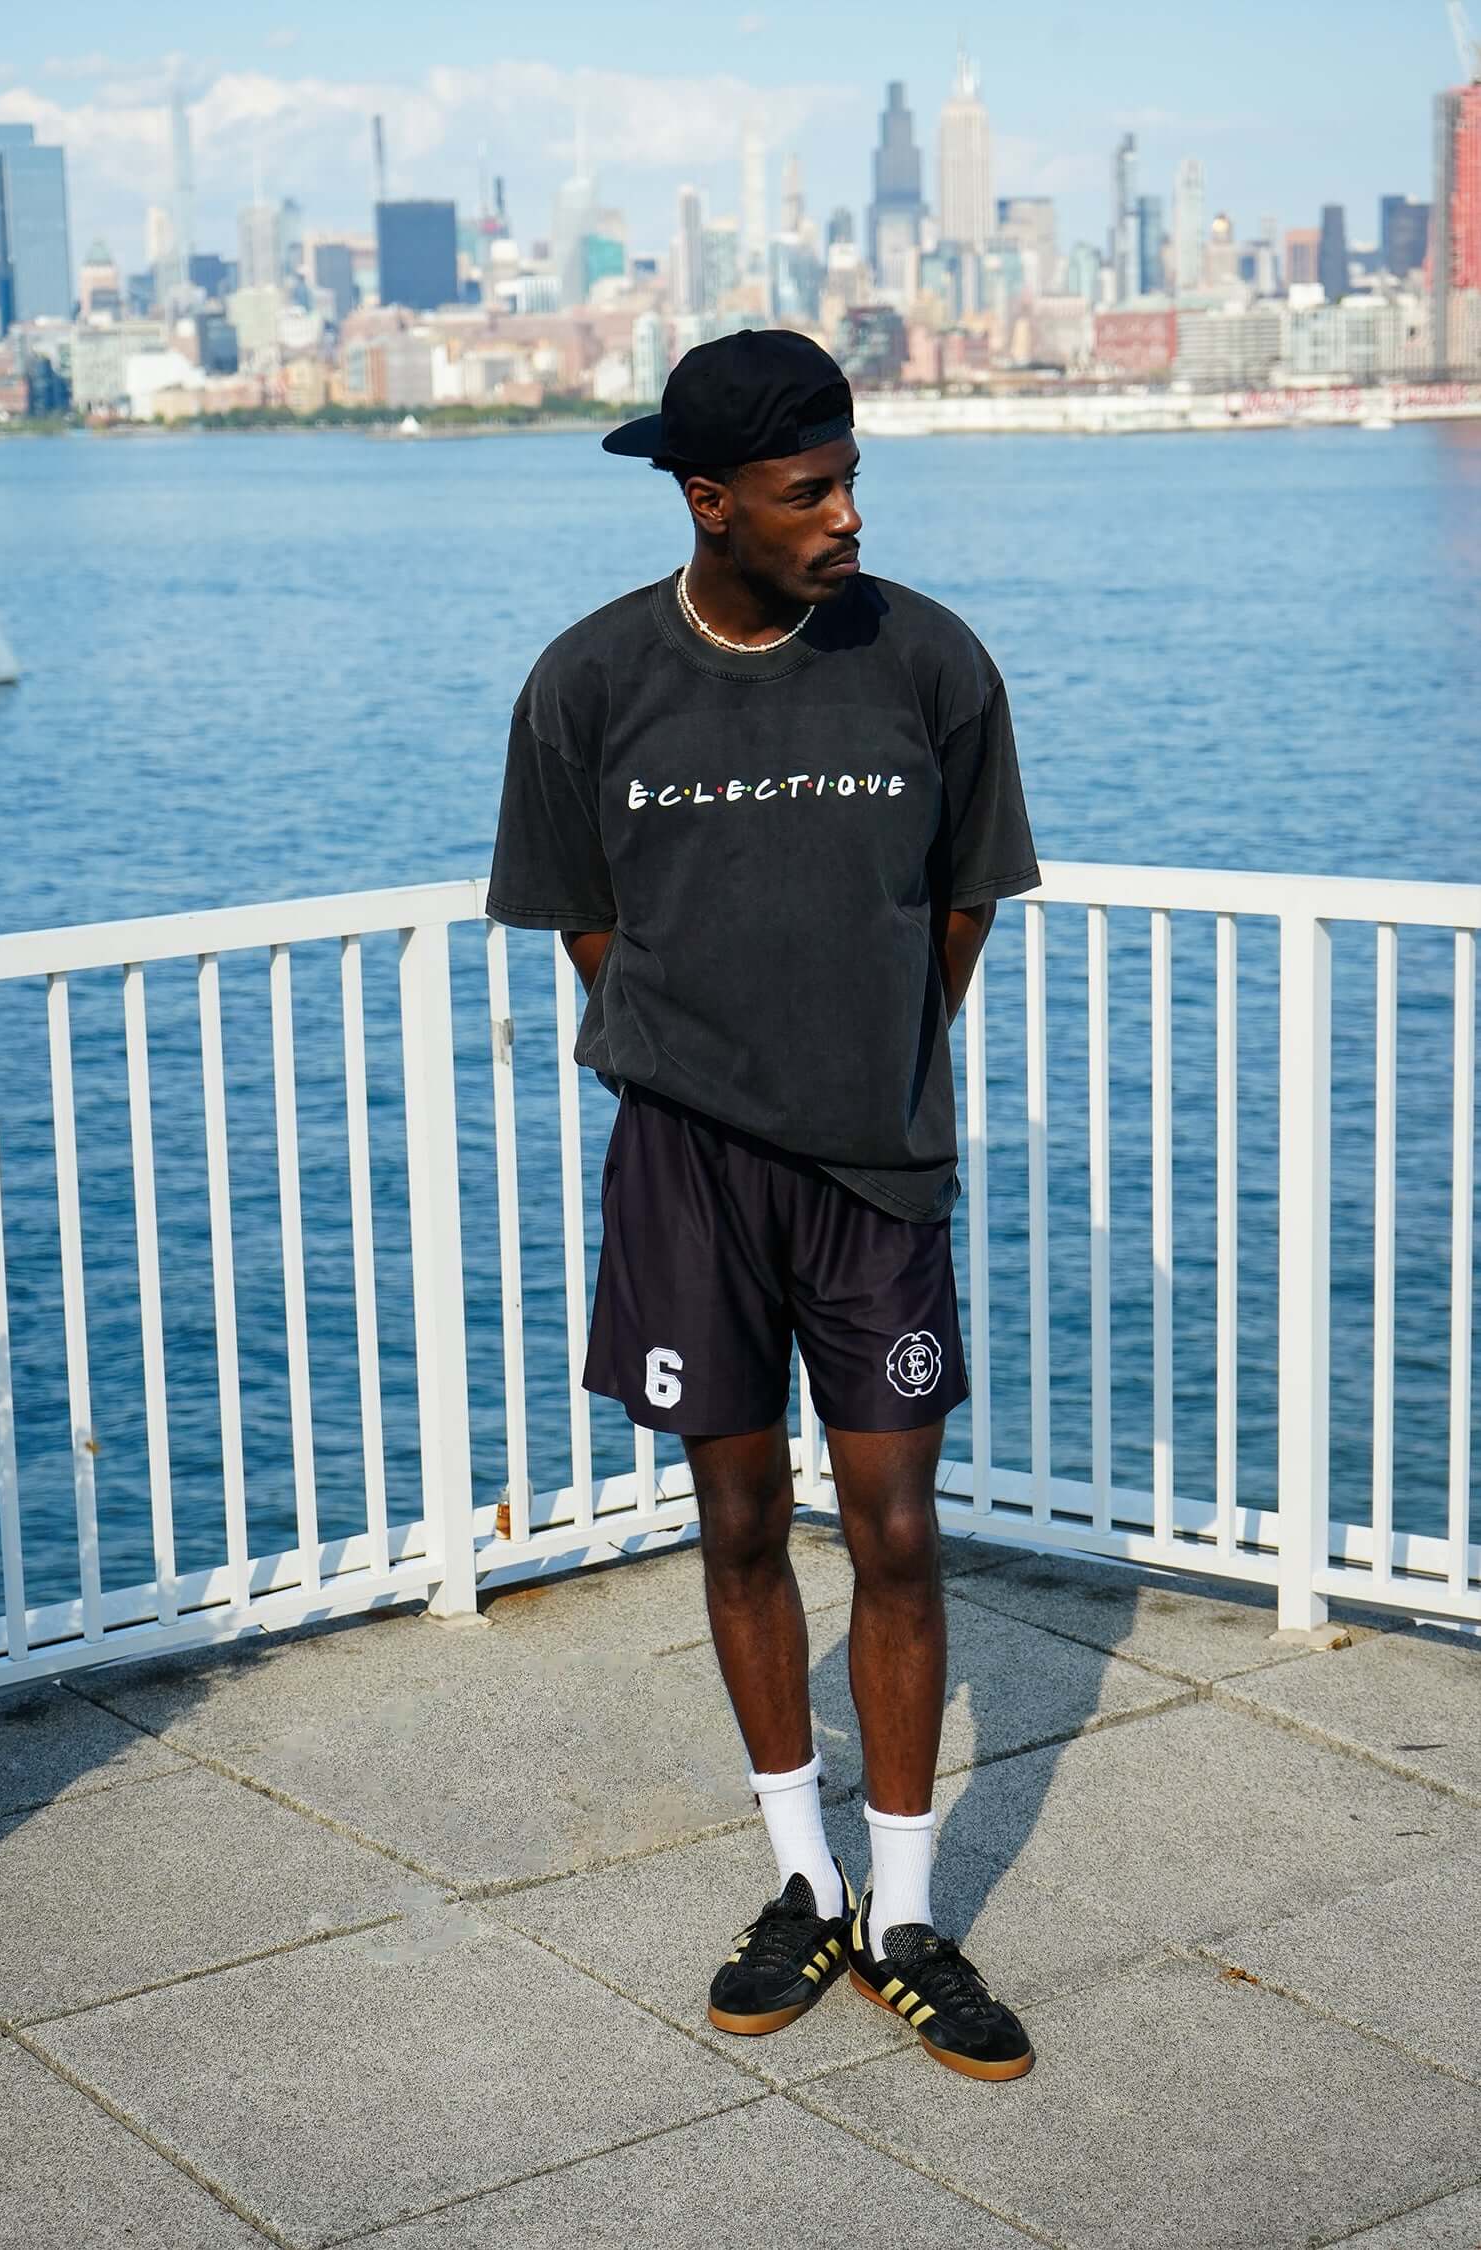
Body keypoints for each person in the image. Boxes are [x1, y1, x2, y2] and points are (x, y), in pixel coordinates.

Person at [486, 329, 1040, 2082]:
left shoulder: (929, 661)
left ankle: (906, 1915)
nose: (848, 516)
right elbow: (587, 923)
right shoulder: (588, 682)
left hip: (876, 1170)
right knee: (736, 1523)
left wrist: (860, 1063)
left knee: (895, 1529)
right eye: (811, 493)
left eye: (853, 479)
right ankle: (801, 1881)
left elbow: (964, 901)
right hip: (685, 1171)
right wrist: (712, 1066)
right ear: (710, 501)